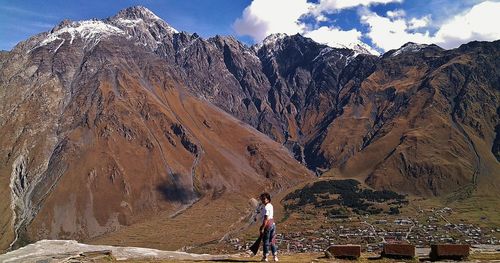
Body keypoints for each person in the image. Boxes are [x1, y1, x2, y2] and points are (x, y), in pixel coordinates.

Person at [259, 192, 278, 262]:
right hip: (273, 224)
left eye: (264, 199)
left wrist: (262, 227)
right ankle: (275, 256)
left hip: (267, 225)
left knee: (266, 242)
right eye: (262, 199)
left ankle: (265, 257)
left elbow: (266, 218)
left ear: (268, 199)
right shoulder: (270, 205)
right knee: (272, 241)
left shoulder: (266, 207)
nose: (263, 200)